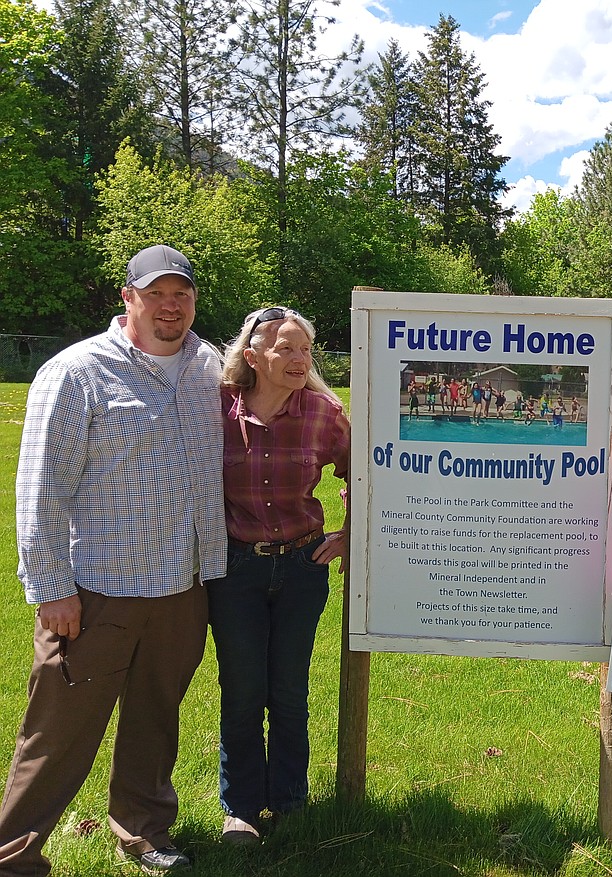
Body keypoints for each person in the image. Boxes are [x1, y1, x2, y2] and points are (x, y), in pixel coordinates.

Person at [0, 244, 226, 876]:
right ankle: (13, 853)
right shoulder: (77, 372)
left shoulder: (207, 366)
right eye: (156, 293)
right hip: (99, 587)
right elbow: (42, 487)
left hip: (182, 584)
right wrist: (50, 588)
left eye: (181, 293)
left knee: (156, 718)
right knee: (59, 730)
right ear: (127, 298)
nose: (170, 304)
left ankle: (145, 830)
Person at [211, 308, 350, 844]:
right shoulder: (216, 410)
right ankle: (241, 809)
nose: (299, 360)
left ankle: (290, 802)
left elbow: (363, 471)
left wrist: (347, 533)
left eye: (305, 350)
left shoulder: (323, 412)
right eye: (285, 349)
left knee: (290, 692)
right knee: (243, 692)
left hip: (302, 565)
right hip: (234, 569)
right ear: (253, 357)